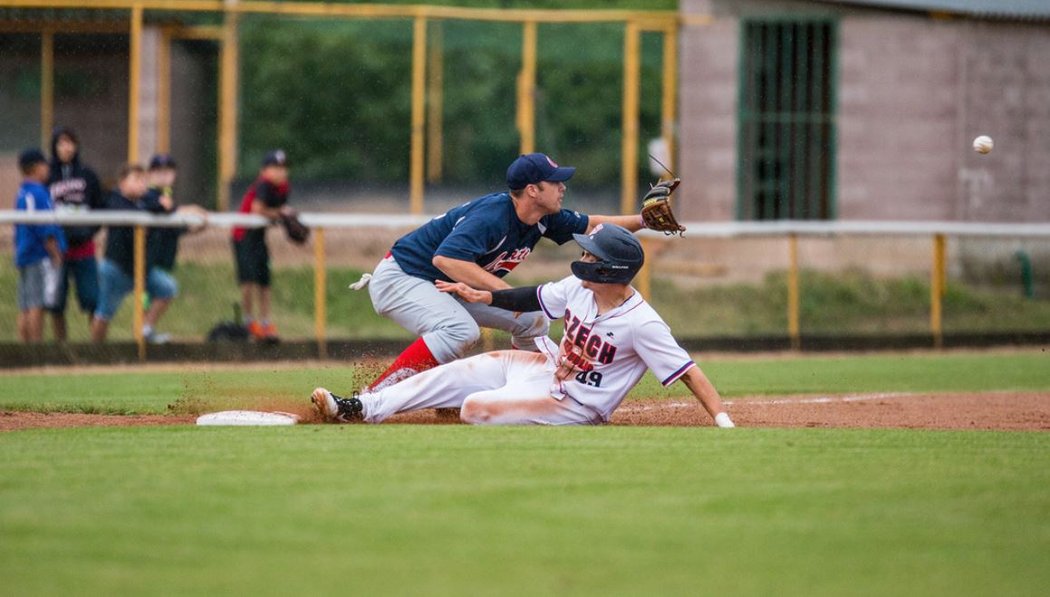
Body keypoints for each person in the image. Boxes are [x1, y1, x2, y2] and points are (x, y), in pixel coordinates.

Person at [312, 223, 735, 428]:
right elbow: (531, 297)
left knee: (474, 407)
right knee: (461, 371)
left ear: (610, 270)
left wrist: (722, 422)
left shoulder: (642, 324)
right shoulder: (579, 288)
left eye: (591, 256)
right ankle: (363, 408)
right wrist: (486, 297)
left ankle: (495, 399)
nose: (583, 258)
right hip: (545, 371)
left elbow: (689, 372)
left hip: (576, 405)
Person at [360, 152, 657, 392]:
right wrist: (506, 294)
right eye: (554, 182)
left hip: (445, 285)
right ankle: (375, 396)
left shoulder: (543, 218)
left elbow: (595, 226)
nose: (562, 187)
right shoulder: (493, 217)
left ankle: (525, 388)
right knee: (461, 330)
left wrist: (645, 221)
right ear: (532, 190)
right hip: (402, 277)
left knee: (533, 319)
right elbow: (446, 259)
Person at [90, 164, 179, 343]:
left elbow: (166, 207)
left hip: (141, 269)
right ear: (122, 183)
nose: (141, 184)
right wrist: (154, 208)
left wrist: (166, 206)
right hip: (117, 268)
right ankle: (95, 350)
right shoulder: (114, 199)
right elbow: (125, 210)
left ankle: (145, 329)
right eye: (136, 180)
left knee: (167, 288)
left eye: (143, 180)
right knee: (104, 313)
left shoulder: (145, 201)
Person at [47, 126, 105, 341]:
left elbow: (100, 206)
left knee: (92, 299)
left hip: (84, 249)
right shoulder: (48, 175)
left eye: (70, 142)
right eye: (61, 143)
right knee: (56, 303)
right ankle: (61, 348)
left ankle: (95, 348)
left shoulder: (87, 175)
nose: (66, 148)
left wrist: (89, 230)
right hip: (56, 251)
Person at [231, 149, 294, 342]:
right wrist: (280, 214)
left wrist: (282, 216)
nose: (280, 172)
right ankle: (249, 322)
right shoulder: (264, 185)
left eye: (283, 168)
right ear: (264, 171)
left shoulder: (283, 188)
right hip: (243, 236)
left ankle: (265, 323)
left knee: (264, 281)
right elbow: (257, 210)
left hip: (258, 238)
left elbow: (275, 212)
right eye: (275, 168)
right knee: (248, 281)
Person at [13, 149, 66, 343]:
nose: (48, 169)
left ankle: (24, 346)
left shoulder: (23, 191)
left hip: (24, 253)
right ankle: (36, 348)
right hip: (39, 254)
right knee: (37, 304)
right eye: (45, 165)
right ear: (36, 168)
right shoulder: (38, 192)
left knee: (25, 305)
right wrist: (55, 254)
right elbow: (46, 229)